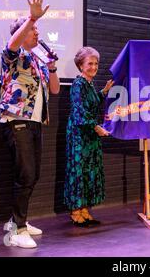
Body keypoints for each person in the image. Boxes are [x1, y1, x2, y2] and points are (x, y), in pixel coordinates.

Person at [0, 0, 60, 248]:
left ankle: (17, 220)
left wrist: (53, 66)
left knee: (32, 175)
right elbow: (12, 45)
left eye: (37, 29)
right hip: (17, 119)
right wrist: (30, 18)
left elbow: (55, 90)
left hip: (36, 122)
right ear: (23, 33)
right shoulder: (13, 55)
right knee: (26, 174)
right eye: (33, 29)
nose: (37, 33)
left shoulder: (37, 60)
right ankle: (17, 230)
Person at [64, 47, 113, 227]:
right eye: (89, 64)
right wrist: (96, 127)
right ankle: (75, 211)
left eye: (96, 63)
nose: (94, 67)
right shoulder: (78, 84)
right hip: (79, 135)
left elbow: (92, 102)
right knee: (79, 170)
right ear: (80, 66)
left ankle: (84, 209)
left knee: (89, 171)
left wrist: (104, 91)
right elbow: (79, 112)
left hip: (90, 135)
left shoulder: (89, 84)